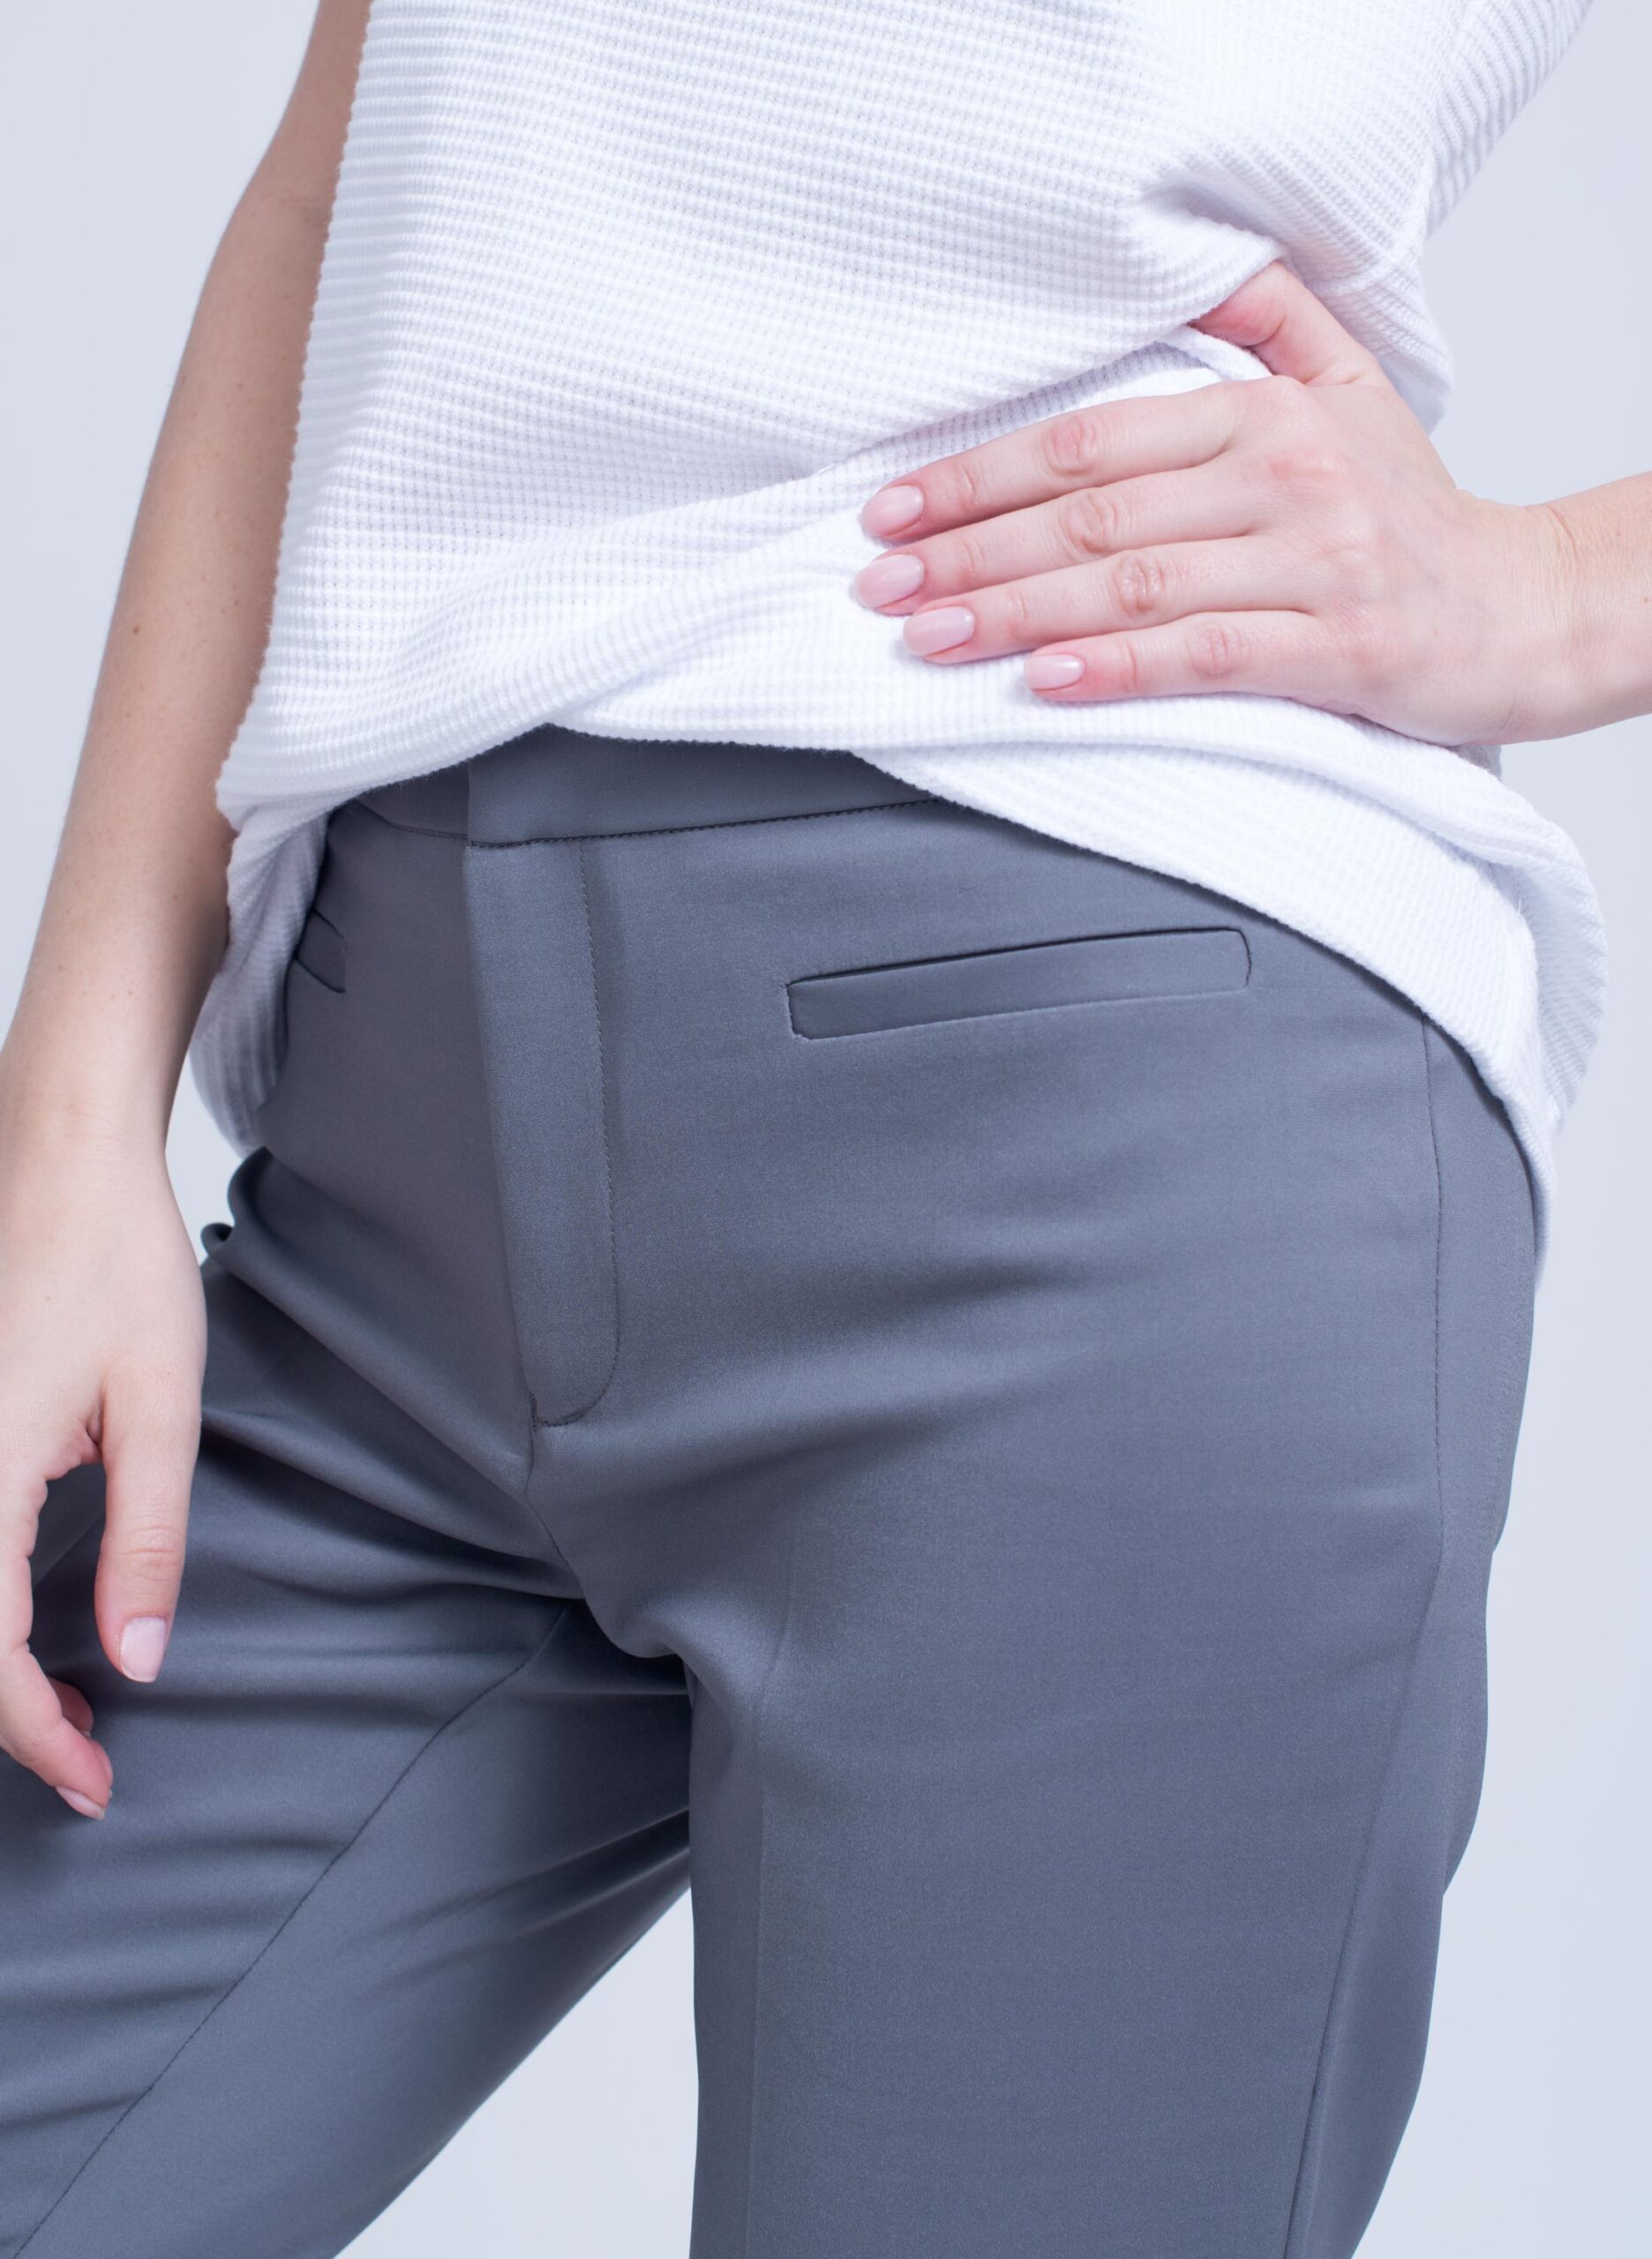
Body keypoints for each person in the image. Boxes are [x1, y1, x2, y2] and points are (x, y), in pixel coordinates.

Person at [0, 2, 1641, 2253]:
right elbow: (344, 172)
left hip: (1087, 1141)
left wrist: (1565, 590)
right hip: (379, 1200)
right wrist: (68, 1131)